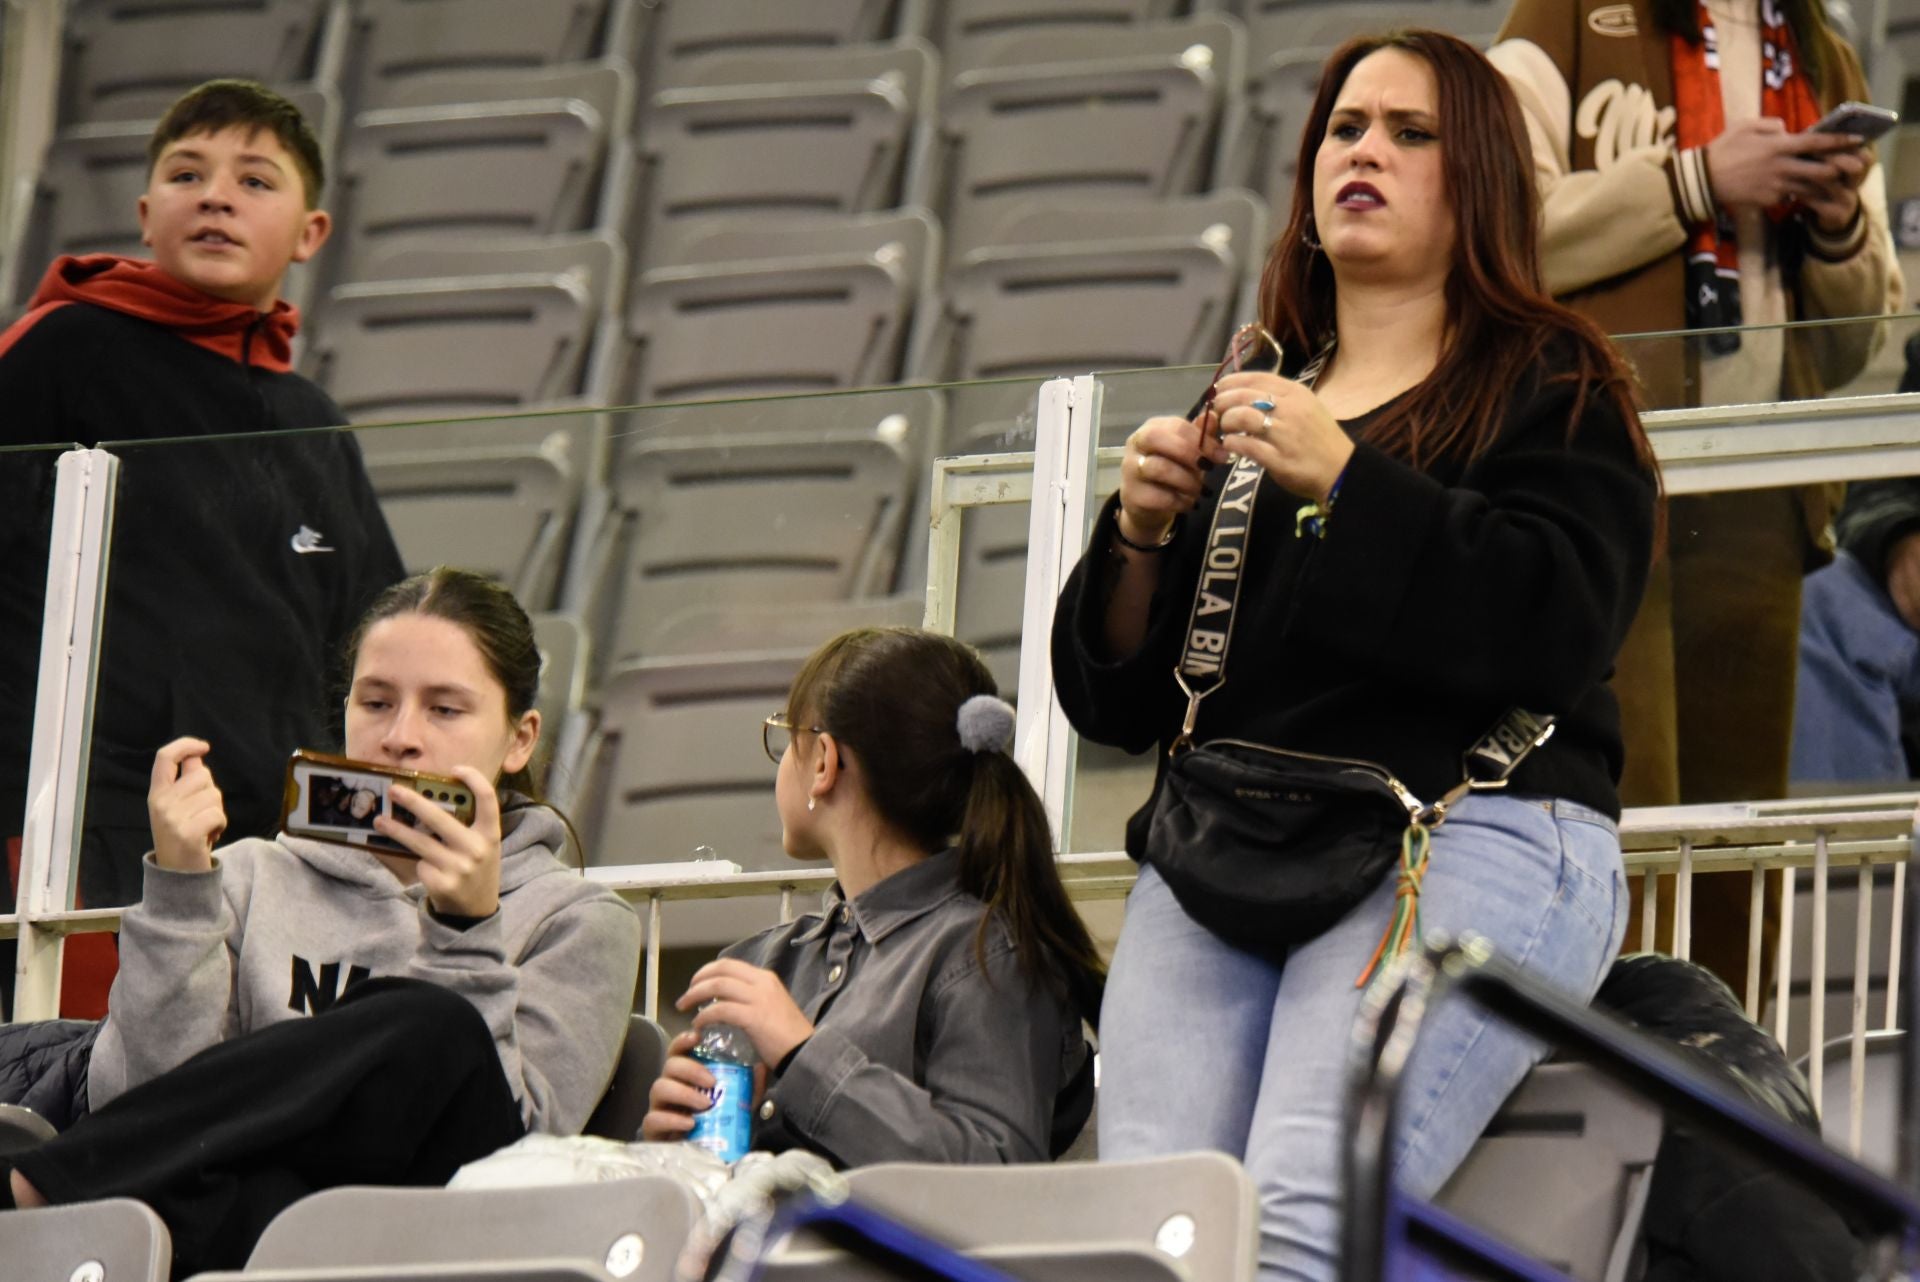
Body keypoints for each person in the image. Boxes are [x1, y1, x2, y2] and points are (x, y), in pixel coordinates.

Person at [1049, 31, 1658, 1280]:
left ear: (1479, 175)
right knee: (1151, 1243)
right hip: (1225, 845)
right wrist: (1141, 535)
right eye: (1344, 127)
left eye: (1410, 132)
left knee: (1293, 1227)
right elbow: (1126, 702)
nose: (1364, 150)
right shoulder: (1258, 385)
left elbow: (1556, 624)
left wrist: (1346, 475)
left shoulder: (1557, 379)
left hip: (1473, 829)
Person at [0, 568, 642, 1277]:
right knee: (275, 1191)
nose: (401, 738)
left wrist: (467, 929)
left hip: (444, 1236)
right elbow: (141, 1103)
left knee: (435, 1026)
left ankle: (33, 1189)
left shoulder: (581, 922)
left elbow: (522, 1158)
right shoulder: (250, 876)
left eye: (445, 710)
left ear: (519, 739)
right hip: (258, 1232)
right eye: (376, 702)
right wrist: (182, 892)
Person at [1489, 0, 1903, 992]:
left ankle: (1723, 1102)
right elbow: (1495, 229)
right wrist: (1696, 181)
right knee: (1618, 815)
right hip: (1594, 478)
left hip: (1758, 499)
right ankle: (1602, 1097)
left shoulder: (1819, 51)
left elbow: (1855, 342)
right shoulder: (1562, 18)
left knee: (1735, 842)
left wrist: (1841, 226)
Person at [0, 79, 402, 1015]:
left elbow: (372, 643)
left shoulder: (314, 422)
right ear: (146, 214)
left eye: (255, 180)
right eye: (187, 173)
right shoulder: (64, 348)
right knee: (87, 1091)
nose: (215, 194)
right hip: (81, 829)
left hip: (276, 847)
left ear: (311, 233)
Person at [641, 628, 1102, 1166]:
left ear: (823, 763)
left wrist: (802, 1053)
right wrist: (670, 1149)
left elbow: (991, 1173)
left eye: (786, 736)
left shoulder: (984, 954)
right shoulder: (758, 962)